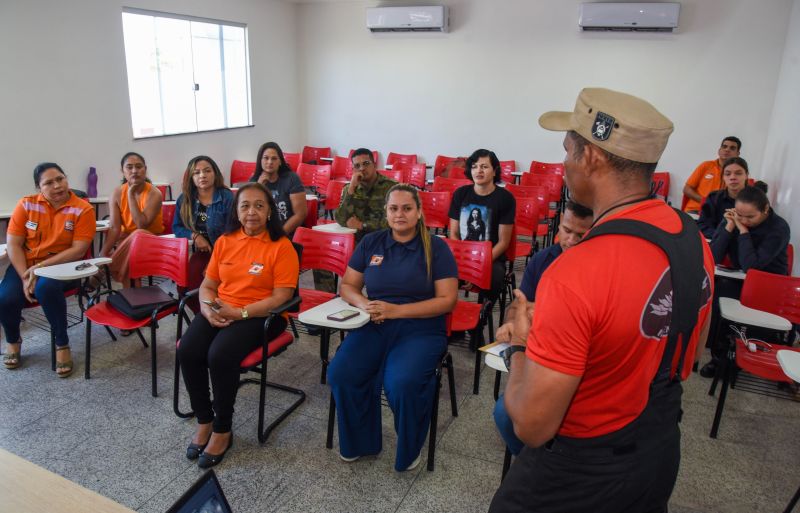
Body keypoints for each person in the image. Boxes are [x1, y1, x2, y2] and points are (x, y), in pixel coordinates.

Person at [489, 88, 715, 513]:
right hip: (659, 448)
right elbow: (693, 349)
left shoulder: (577, 271)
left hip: (583, 469)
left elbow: (533, 426)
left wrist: (522, 343)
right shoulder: (692, 238)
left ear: (591, 157)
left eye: (568, 151)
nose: (563, 164)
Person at [327, 184, 458, 472]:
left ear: (419, 212)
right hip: (376, 322)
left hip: (421, 328)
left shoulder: (436, 247)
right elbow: (347, 285)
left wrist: (397, 310)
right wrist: (363, 303)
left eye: (407, 208)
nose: (400, 214)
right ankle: (361, 442)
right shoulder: (371, 243)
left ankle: (410, 448)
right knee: (341, 372)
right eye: (393, 208)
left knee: (401, 382)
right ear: (386, 212)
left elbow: (447, 301)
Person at [177, 182, 299, 469]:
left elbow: (281, 297)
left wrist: (240, 313)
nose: (252, 212)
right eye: (245, 206)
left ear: (270, 210)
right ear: (237, 210)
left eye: (259, 205)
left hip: (263, 316)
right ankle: (204, 419)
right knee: (189, 350)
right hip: (222, 308)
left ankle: (222, 428)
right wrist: (208, 309)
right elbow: (208, 285)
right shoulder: (225, 241)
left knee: (219, 355)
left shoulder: (282, 247)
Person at [492, 200, 593, 456]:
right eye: (566, 230)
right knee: (504, 413)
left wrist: (542, 310)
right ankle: (531, 462)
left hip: (580, 361)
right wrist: (511, 322)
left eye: (580, 235)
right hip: (539, 351)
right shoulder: (544, 259)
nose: (570, 240)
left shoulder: (598, 268)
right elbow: (518, 304)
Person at [0, 163, 96, 376]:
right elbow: (14, 244)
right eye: (49, 183)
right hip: (24, 266)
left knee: (46, 288)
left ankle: (62, 343)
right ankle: (13, 340)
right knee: (5, 297)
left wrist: (41, 267)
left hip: (61, 267)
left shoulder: (83, 208)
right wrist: (26, 276)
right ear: (39, 187)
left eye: (60, 179)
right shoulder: (26, 205)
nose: (57, 186)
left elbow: (78, 250)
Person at [699, 184, 791, 378]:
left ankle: (733, 357)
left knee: (730, 299)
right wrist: (729, 226)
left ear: (765, 210)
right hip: (738, 280)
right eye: (740, 215)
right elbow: (713, 256)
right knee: (717, 294)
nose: (744, 220)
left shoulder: (779, 228)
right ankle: (720, 357)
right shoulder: (735, 219)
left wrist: (742, 230)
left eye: (750, 217)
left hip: (768, 287)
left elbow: (752, 266)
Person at [315, 148, 396, 293]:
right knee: (321, 256)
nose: (362, 168)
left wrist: (362, 225)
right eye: (357, 166)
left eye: (366, 163)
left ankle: (366, 301)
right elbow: (341, 219)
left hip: (381, 243)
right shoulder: (350, 188)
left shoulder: (391, 188)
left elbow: (393, 222)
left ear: (374, 165)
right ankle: (326, 299)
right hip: (355, 242)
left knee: (372, 270)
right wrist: (352, 188)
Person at [448, 149, 515, 300]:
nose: (478, 170)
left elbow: (503, 242)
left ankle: (482, 316)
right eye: (474, 166)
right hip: (462, 254)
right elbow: (454, 233)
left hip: (491, 257)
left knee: (494, 278)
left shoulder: (505, 198)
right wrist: (464, 261)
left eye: (484, 167)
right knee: (436, 273)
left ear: (494, 171)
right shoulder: (460, 194)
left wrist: (477, 264)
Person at [100, 152, 164, 284]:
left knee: (138, 234)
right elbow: (114, 227)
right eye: (129, 167)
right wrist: (102, 254)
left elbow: (142, 225)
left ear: (145, 169)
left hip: (150, 241)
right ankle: (134, 300)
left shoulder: (154, 193)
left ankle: (104, 270)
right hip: (126, 242)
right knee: (129, 258)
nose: (134, 171)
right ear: (122, 171)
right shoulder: (116, 192)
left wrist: (130, 194)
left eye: (139, 167)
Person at [173, 155, 234, 250]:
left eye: (207, 171)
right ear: (191, 178)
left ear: (215, 173)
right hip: (201, 250)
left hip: (226, 249)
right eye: (196, 173)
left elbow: (233, 230)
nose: (202, 175)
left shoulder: (227, 197)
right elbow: (177, 227)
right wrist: (195, 236)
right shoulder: (184, 199)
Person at [248, 142, 306, 237]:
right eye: (266, 158)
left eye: (274, 158)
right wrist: (259, 186)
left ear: (280, 162)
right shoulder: (254, 181)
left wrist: (279, 235)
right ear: (260, 160)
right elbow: (250, 211)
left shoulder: (291, 178)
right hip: (261, 234)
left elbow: (300, 214)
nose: (270, 162)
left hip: (287, 233)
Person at [682, 136, 741, 212]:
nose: (727, 150)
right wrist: (705, 201)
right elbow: (687, 189)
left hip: (722, 213)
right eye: (724, 147)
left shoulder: (738, 173)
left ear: (737, 153)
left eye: (732, 148)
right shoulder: (706, 165)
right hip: (696, 210)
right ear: (719, 150)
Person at [697, 157, 750, 238]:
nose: (732, 177)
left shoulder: (756, 199)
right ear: (723, 177)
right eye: (727, 174)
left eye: (738, 173)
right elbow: (703, 225)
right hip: (718, 242)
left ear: (746, 175)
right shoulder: (713, 198)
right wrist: (722, 237)